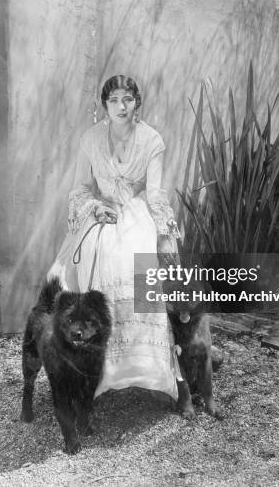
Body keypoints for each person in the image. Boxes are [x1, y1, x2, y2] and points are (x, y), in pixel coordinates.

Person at [48, 74, 182, 400]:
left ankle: (142, 364)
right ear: (104, 105)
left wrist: (164, 231)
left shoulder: (151, 141)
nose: (121, 107)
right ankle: (89, 367)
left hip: (136, 213)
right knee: (81, 263)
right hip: (101, 213)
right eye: (113, 101)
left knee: (137, 261)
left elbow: (154, 193)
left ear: (137, 102)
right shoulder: (90, 139)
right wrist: (94, 207)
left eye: (128, 99)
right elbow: (82, 187)